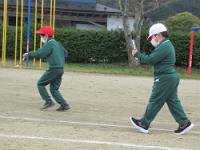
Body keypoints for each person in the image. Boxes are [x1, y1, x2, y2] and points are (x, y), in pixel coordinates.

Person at [130, 23, 194, 135]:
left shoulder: (164, 46)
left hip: (165, 78)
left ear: (158, 35)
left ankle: (144, 123)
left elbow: (151, 59)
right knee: (173, 101)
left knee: (155, 100)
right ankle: (184, 123)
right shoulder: (165, 45)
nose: (151, 40)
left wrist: (137, 55)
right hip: (169, 78)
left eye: (151, 37)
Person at [23, 25, 70, 111]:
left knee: (40, 84)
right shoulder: (57, 43)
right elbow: (66, 53)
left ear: (47, 36)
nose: (41, 37)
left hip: (53, 69)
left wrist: (28, 54)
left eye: (42, 35)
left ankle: (48, 101)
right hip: (60, 69)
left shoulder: (50, 43)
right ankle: (64, 104)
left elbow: (41, 53)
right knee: (54, 89)